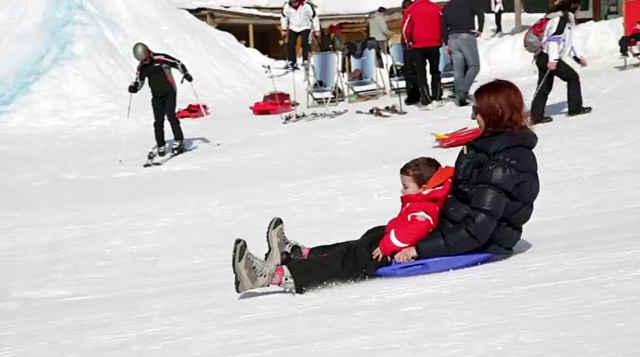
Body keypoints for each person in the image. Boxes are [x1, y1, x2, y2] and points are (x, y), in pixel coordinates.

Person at [329, 79, 540, 265]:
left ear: (495, 113)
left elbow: (477, 228)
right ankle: (306, 256)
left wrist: (419, 249)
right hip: (454, 226)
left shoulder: (504, 161)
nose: (473, 117)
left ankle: (301, 274)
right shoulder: (488, 147)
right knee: (377, 235)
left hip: (481, 242)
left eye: (477, 111)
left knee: (371, 255)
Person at [231, 157, 454, 294]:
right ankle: (295, 254)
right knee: (357, 245)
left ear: (424, 187)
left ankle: (269, 276)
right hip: (389, 245)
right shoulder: (423, 200)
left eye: (406, 187)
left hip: (392, 254)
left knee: (345, 261)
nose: (402, 191)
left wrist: (388, 245)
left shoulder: (425, 208)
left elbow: (415, 231)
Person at [530, 0, 592, 125]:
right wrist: (553, 60)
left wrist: (577, 58)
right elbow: (553, 40)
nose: (579, 9)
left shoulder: (559, 18)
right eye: (579, 7)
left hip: (542, 55)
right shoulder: (561, 19)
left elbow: (567, 43)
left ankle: (536, 116)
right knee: (572, 77)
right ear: (573, 7)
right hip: (549, 56)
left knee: (544, 86)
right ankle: (575, 108)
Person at [128, 42, 192, 156]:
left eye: (146, 59)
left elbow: (178, 63)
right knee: (158, 121)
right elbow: (139, 81)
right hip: (156, 96)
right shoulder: (142, 67)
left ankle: (179, 140)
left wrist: (185, 74)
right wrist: (134, 88)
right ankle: (161, 144)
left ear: (148, 52)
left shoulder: (161, 58)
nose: (145, 62)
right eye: (143, 60)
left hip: (169, 92)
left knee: (171, 116)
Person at [402, 0, 445, 108]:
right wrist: (442, 38)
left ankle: (426, 99)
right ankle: (437, 95)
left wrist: (408, 42)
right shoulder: (437, 8)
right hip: (434, 43)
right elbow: (444, 23)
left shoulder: (411, 10)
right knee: (435, 71)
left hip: (418, 46)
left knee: (421, 73)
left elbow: (405, 29)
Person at [442, 0, 484, 107]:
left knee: (458, 70)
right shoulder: (469, 3)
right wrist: (480, 29)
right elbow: (480, 13)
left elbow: (442, 25)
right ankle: (463, 91)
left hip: (452, 37)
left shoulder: (448, 6)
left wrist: (446, 41)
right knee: (474, 66)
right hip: (466, 35)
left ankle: (459, 97)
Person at [280, 0, 320, 70]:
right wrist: (284, 29)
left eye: (295, 2)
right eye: (292, 2)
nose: (294, 4)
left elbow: (314, 17)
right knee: (291, 44)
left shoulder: (307, 6)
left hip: (305, 26)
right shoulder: (286, 7)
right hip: (293, 27)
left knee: (305, 43)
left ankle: (305, 60)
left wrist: (316, 29)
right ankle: (292, 61)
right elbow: (284, 18)